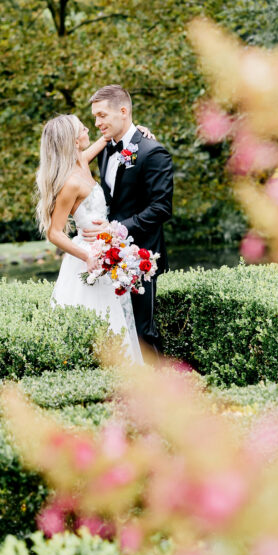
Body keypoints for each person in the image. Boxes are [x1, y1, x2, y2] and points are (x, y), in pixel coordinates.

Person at [36, 114, 143, 363]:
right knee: (101, 324)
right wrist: (87, 255)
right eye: (82, 128)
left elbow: (107, 137)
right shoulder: (70, 183)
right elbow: (54, 232)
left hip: (106, 250)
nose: (88, 129)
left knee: (118, 320)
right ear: (74, 140)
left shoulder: (82, 161)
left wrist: (139, 132)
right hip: (89, 256)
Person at [83, 85, 174, 355]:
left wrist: (117, 229)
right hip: (107, 256)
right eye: (95, 117)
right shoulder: (103, 151)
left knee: (143, 331)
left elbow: (161, 208)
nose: (97, 123)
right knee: (115, 334)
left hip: (140, 255)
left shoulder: (152, 152)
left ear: (123, 111)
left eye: (102, 115)